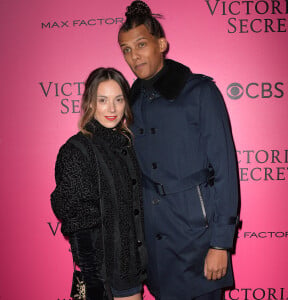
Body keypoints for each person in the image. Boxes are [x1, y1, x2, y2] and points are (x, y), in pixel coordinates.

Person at [118, 1, 240, 300]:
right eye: (126, 50)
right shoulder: (129, 104)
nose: (134, 56)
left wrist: (221, 244)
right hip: (154, 247)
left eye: (141, 44)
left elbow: (225, 170)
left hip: (198, 240)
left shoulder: (200, 92)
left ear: (162, 44)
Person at [51, 67, 147, 300]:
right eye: (102, 100)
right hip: (109, 277)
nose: (112, 109)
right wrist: (96, 285)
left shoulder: (127, 145)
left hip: (136, 267)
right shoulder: (77, 150)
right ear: (89, 103)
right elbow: (79, 226)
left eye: (118, 100)